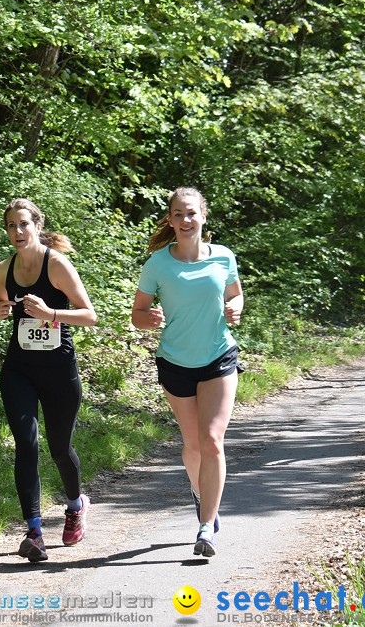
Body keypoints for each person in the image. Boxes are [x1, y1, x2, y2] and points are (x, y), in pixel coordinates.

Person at [130, 187, 244, 558]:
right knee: (193, 444)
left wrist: (235, 308)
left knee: (212, 440)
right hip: (175, 361)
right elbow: (137, 315)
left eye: (191, 213)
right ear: (170, 219)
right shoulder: (158, 264)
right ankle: (200, 493)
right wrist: (149, 319)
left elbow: (236, 293)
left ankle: (206, 525)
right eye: (178, 214)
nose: (185, 220)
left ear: (203, 217)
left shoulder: (223, 257)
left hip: (218, 356)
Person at [0, 198, 98, 563]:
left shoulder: (57, 265)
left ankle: (75, 505)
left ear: (37, 225)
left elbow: (90, 315)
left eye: (24, 224)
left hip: (58, 369)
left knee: (59, 448)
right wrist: (0, 309)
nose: (18, 232)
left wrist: (51, 312)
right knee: (26, 444)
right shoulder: (1, 269)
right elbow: (2, 307)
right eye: (11, 226)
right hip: (19, 369)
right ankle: (34, 532)